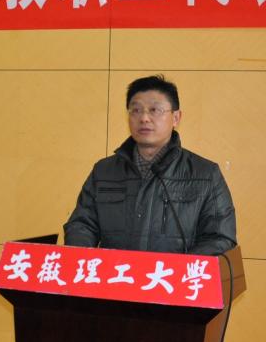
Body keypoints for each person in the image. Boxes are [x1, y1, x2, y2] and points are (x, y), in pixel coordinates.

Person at [63, 75, 237, 255]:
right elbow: (82, 225)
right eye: (136, 110)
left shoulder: (206, 174)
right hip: (115, 272)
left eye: (155, 110)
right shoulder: (104, 171)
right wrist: (83, 258)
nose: (144, 118)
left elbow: (220, 238)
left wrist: (179, 268)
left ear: (176, 118)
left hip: (172, 273)